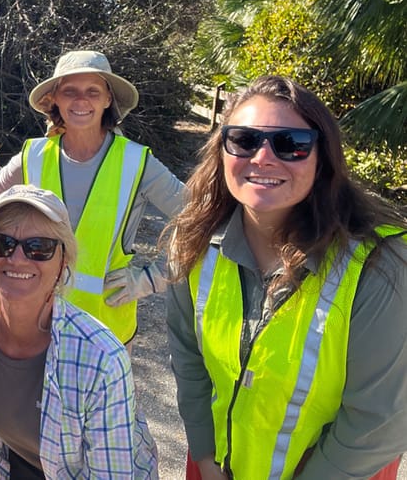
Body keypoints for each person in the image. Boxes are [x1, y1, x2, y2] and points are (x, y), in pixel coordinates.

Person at [165, 75, 407, 480]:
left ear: (322, 160)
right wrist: (205, 459)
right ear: (222, 151)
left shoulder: (381, 264)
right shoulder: (193, 245)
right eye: (244, 139)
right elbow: (191, 367)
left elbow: (380, 421)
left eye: (291, 144)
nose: (262, 157)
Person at [0, 184, 158, 478]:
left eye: (38, 247)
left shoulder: (101, 358)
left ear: (63, 261)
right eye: (1, 243)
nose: (17, 258)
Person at [0, 50, 185, 344]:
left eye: (93, 91)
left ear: (108, 99)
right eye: (70, 92)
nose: (81, 101)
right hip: (36, 322)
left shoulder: (136, 161)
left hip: (105, 332)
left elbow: (200, 220)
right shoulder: (34, 155)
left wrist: (149, 280)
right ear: (55, 98)